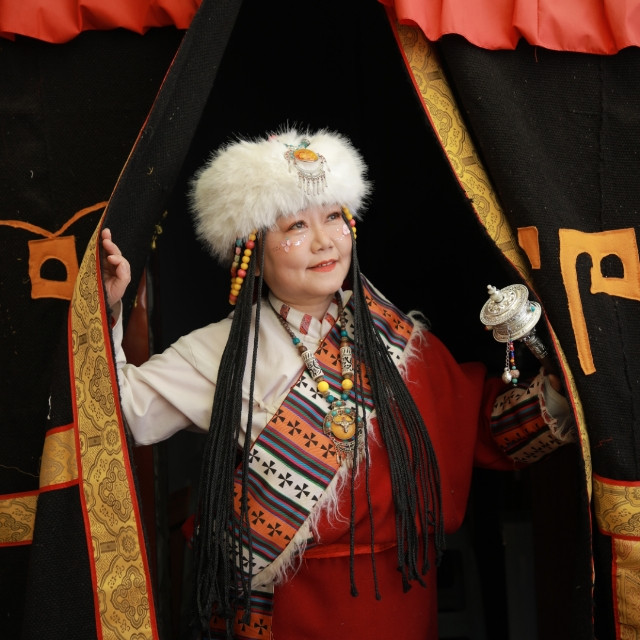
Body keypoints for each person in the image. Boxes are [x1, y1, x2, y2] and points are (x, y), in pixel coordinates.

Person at [101, 127, 574, 640]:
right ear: (252, 250)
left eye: (333, 217)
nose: (324, 241)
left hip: (399, 594)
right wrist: (108, 310)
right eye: (296, 226)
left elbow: (478, 427)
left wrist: (557, 395)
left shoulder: (395, 336)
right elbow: (121, 411)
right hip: (285, 607)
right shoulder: (221, 352)